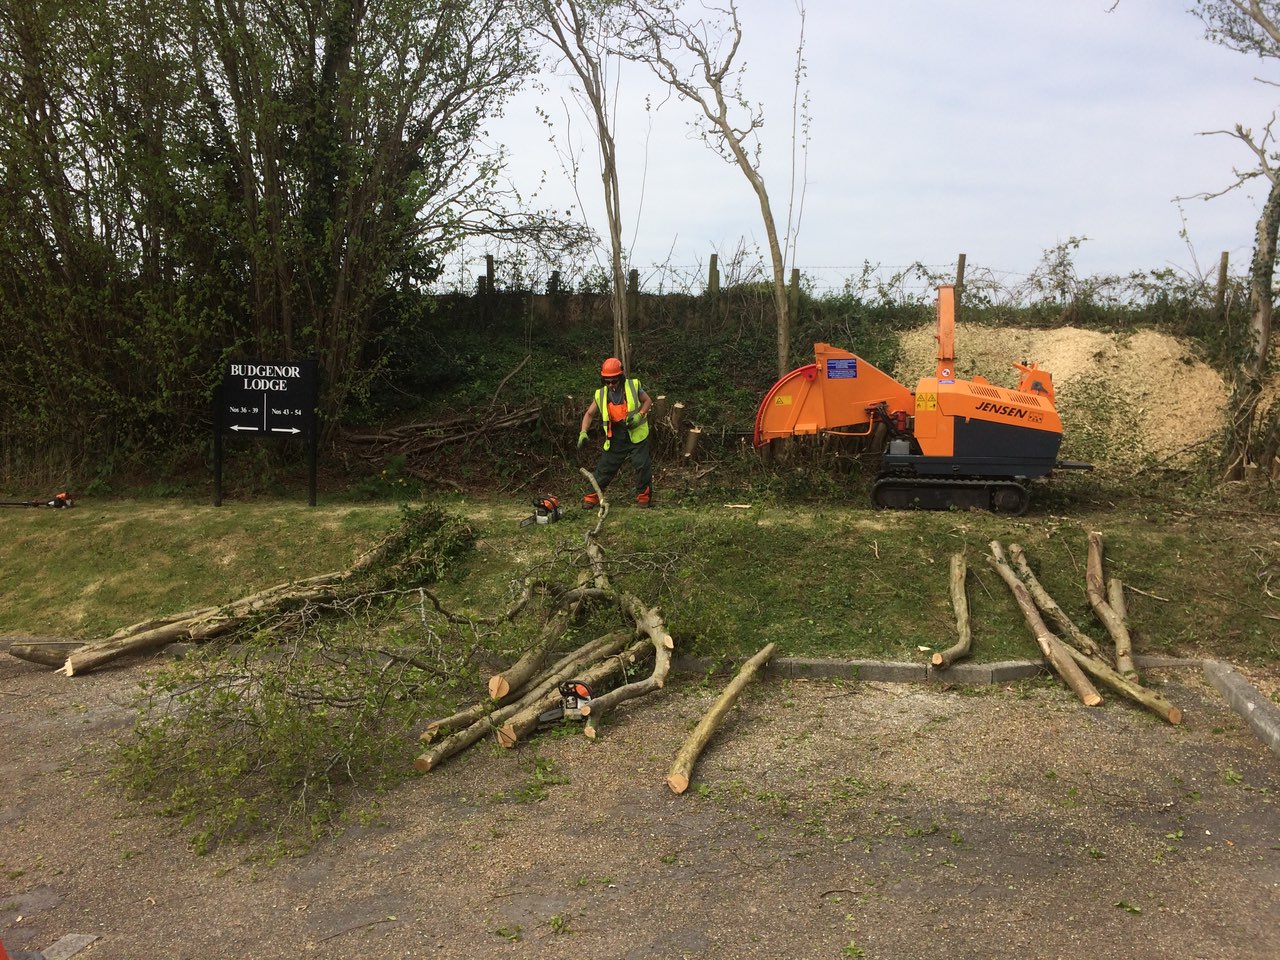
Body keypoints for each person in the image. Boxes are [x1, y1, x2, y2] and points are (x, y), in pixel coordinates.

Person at [577, 357, 653, 508]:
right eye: (607, 381)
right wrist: (583, 432)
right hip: (616, 435)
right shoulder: (601, 394)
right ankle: (592, 496)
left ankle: (643, 497)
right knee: (606, 466)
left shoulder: (633, 386)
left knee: (642, 465)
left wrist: (640, 415)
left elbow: (647, 401)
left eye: (614, 381)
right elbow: (589, 414)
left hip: (636, 432)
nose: (611, 385)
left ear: (621, 377)